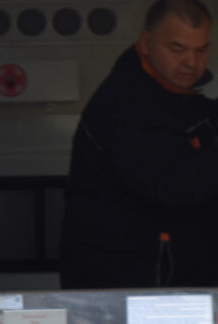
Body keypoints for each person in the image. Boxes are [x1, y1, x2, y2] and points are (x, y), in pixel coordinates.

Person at [61, 0, 218, 288]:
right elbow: (173, 184)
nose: (192, 63)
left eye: (201, 50)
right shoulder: (123, 104)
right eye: (178, 49)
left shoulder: (177, 96)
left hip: (167, 287)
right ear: (146, 43)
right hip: (124, 293)